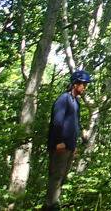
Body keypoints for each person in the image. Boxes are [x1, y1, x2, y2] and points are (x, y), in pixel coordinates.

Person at [43, 70, 90, 211]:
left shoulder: (76, 103)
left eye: (85, 85)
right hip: (60, 145)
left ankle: (53, 202)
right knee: (56, 175)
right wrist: (59, 141)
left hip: (69, 146)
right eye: (82, 84)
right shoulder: (63, 99)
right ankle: (49, 206)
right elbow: (57, 121)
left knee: (63, 176)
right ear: (74, 84)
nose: (84, 87)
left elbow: (73, 126)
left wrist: (73, 146)